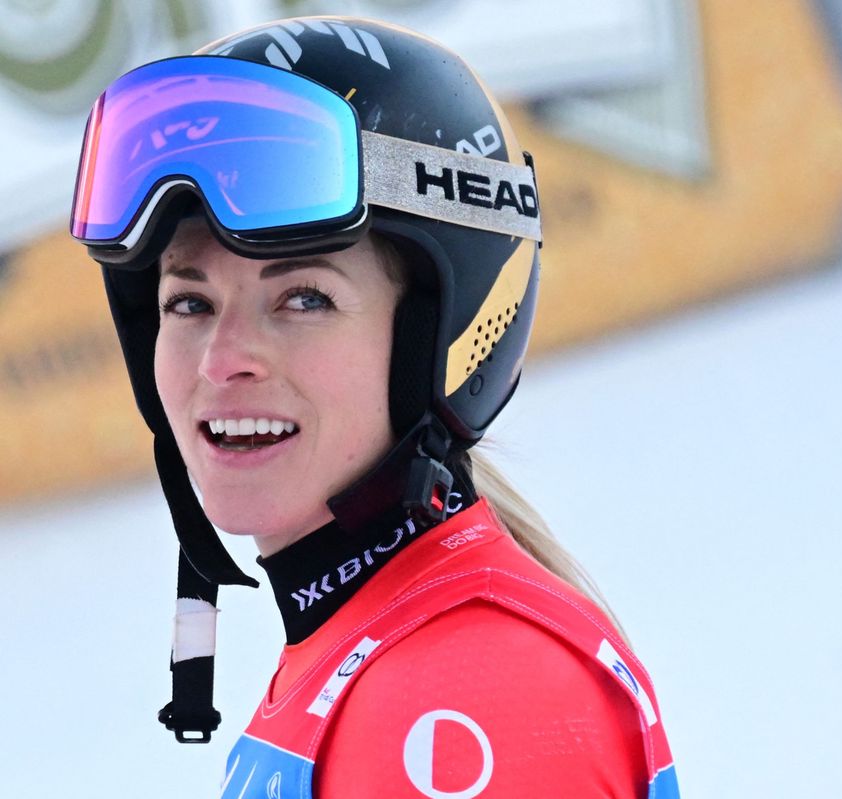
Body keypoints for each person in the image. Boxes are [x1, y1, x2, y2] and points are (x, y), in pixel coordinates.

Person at [70, 16, 679, 799]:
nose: (223, 360)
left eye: (303, 298)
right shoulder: (381, 649)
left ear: (437, 338)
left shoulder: (456, 699)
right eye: (189, 302)